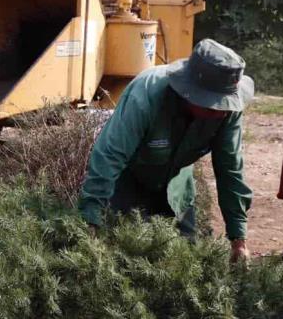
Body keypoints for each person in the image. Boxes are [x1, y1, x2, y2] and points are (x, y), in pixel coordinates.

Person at [78, 39, 254, 262]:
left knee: (184, 262)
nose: (220, 111)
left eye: (224, 104)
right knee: (121, 259)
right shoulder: (147, 93)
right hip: (128, 180)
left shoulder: (229, 110)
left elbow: (230, 169)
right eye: (212, 104)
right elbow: (110, 155)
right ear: (189, 91)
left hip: (176, 185)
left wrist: (239, 239)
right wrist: (91, 221)